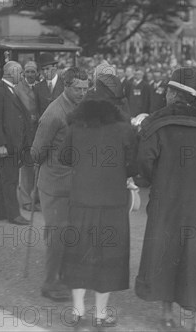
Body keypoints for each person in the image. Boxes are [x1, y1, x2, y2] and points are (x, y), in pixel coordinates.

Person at [134, 67, 196, 332]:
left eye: (167, 90)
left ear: (174, 94)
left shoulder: (157, 124)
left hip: (166, 202)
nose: (164, 94)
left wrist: (160, 181)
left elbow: (144, 163)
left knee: (166, 255)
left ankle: (166, 318)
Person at [58, 74, 137, 330]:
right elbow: (134, 164)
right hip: (112, 203)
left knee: (79, 255)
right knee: (108, 259)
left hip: (81, 200)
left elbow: (65, 157)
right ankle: (101, 316)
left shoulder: (76, 125)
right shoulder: (125, 129)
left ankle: (78, 312)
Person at [31, 67, 89, 302]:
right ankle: (50, 283)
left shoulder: (81, 107)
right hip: (55, 185)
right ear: (66, 86)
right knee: (57, 236)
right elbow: (36, 153)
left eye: (86, 89)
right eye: (78, 89)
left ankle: (65, 277)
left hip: (76, 185)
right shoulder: (54, 113)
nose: (83, 93)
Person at [0, 61, 31, 225]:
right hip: (7, 144)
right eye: (20, 72)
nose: (22, 75)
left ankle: (2, 212)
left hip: (14, 142)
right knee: (10, 179)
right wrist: (0, 145)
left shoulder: (11, 90)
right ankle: (13, 215)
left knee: (3, 177)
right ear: (11, 72)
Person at [13, 61, 40, 212]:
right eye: (28, 71)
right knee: (26, 168)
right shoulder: (18, 89)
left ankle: (35, 198)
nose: (30, 74)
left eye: (33, 72)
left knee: (38, 168)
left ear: (37, 73)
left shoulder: (39, 87)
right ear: (23, 73)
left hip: (38, 132)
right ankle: (25, 200)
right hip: (25, 133)